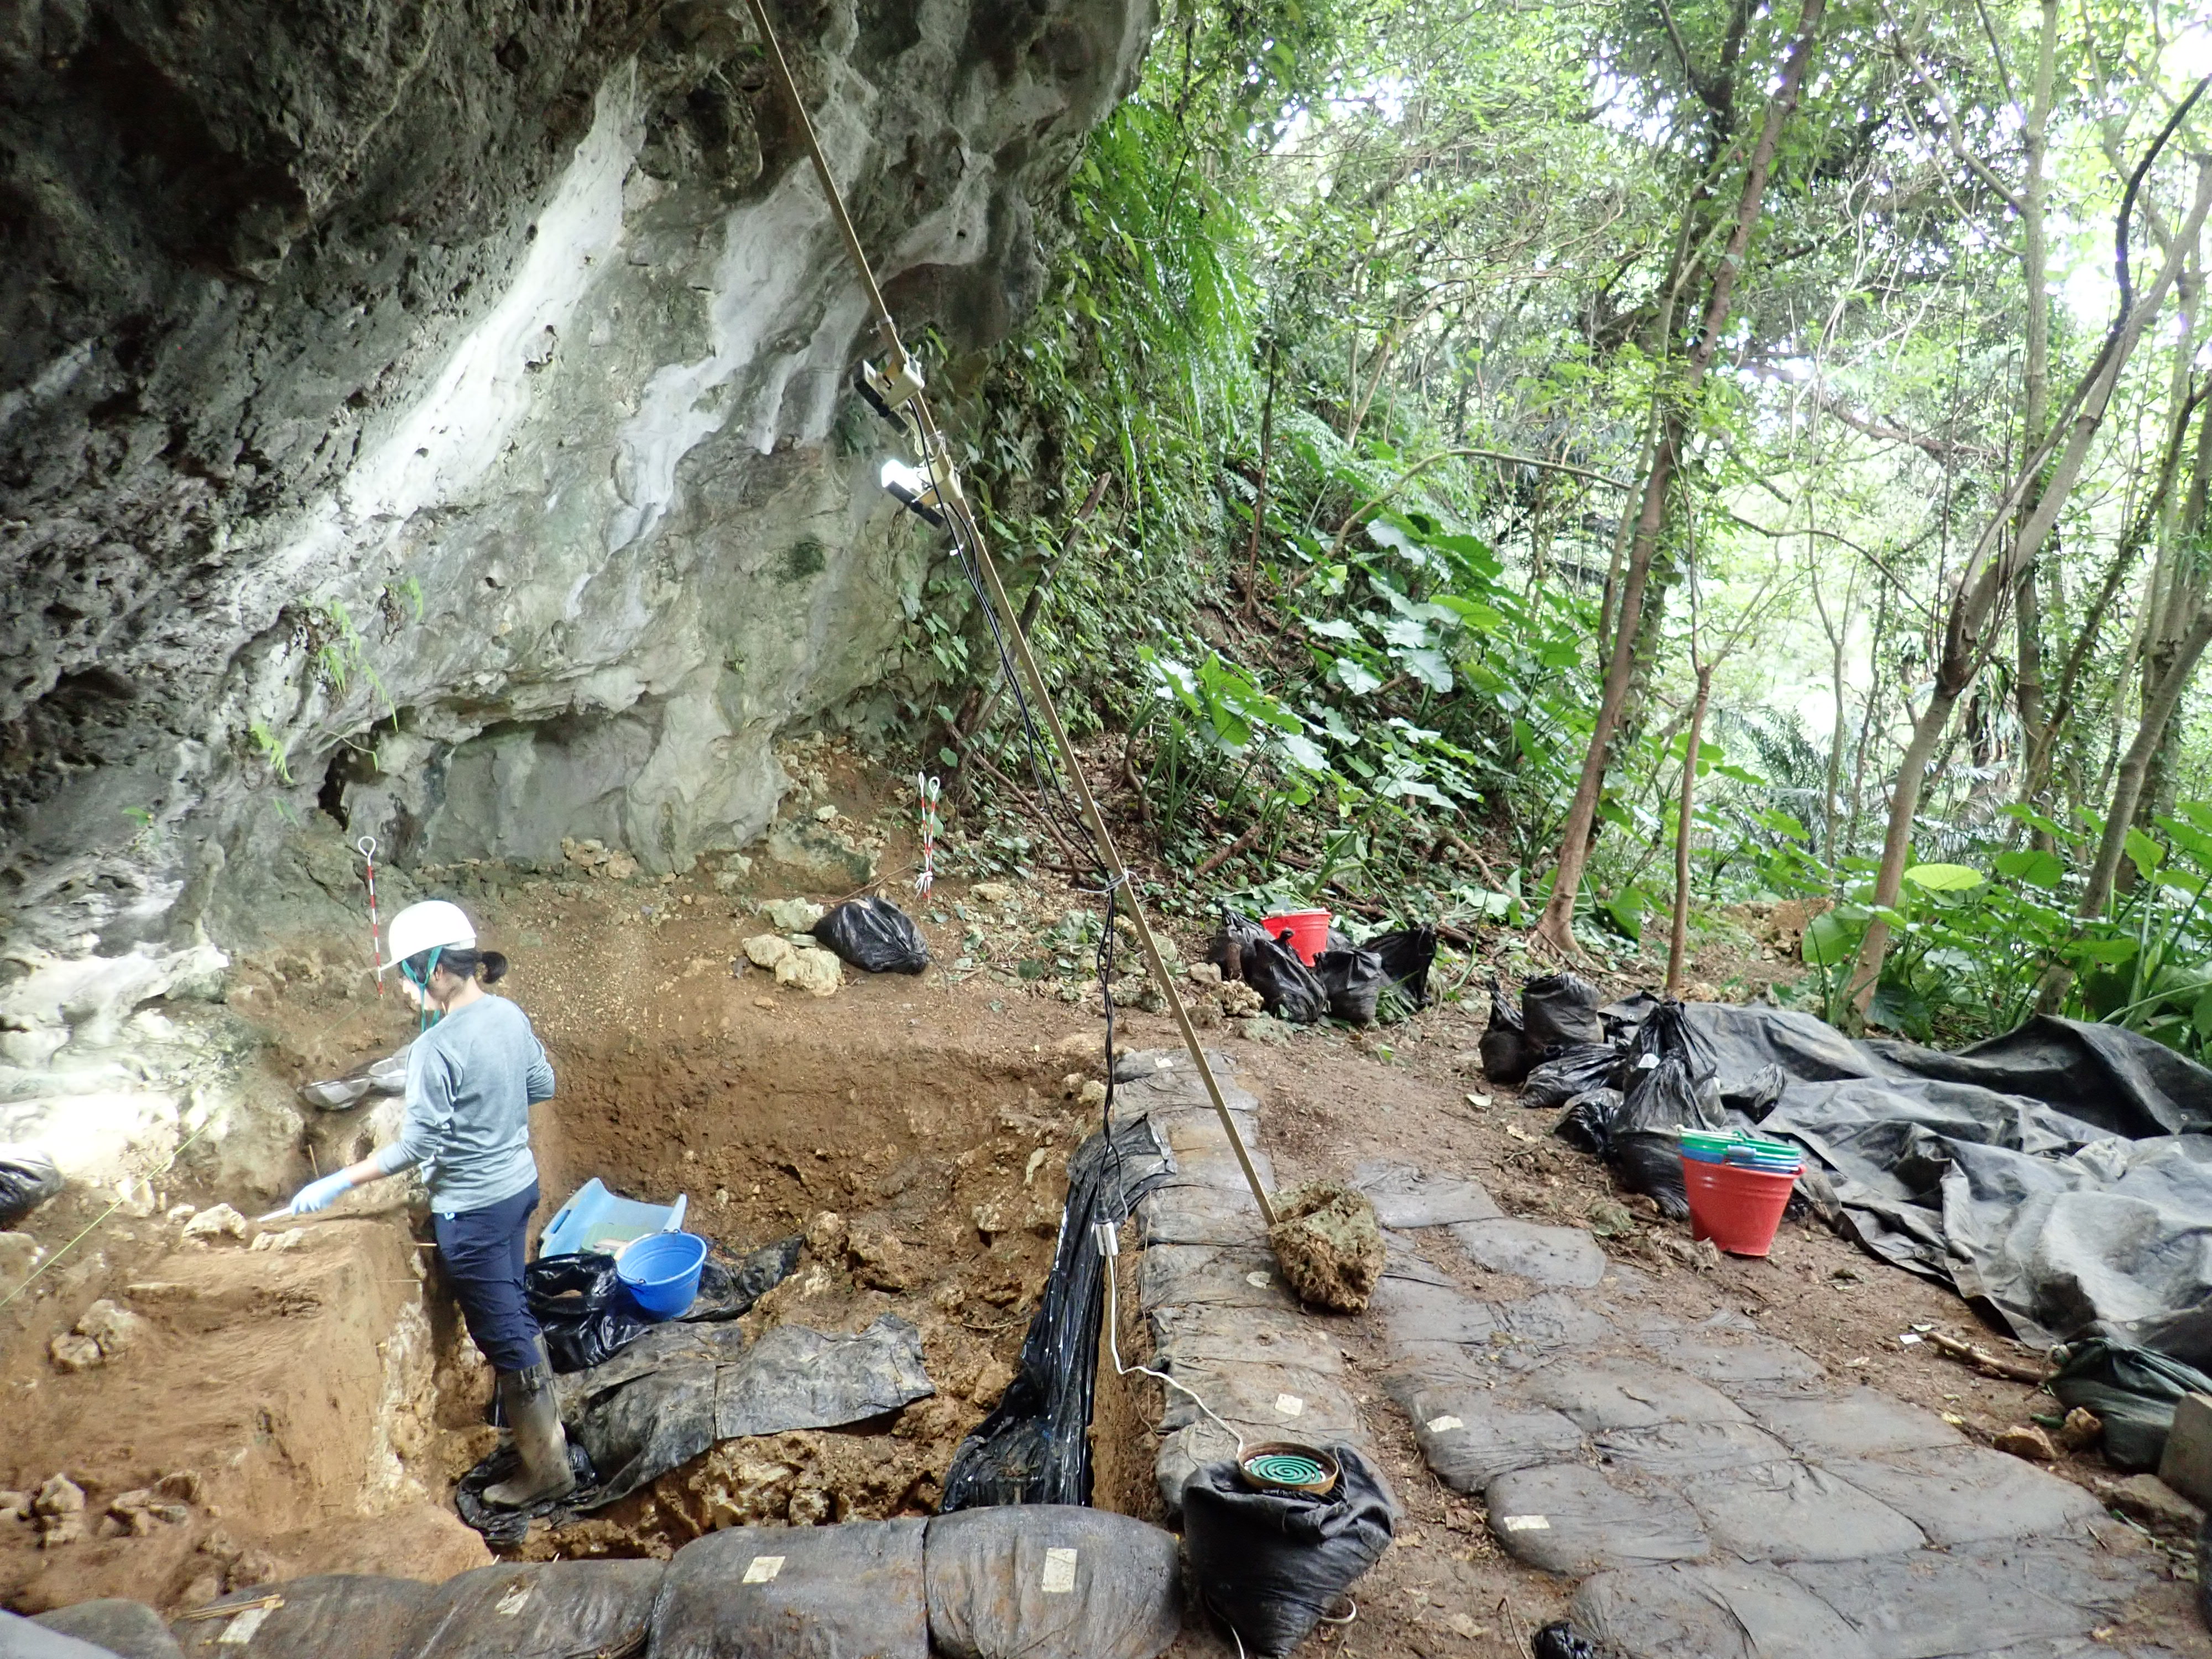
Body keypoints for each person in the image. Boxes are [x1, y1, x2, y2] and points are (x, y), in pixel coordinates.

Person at [284, 899, 573, 1508]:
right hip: (518, 1186)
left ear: (438, 969)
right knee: (514, 1308)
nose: (409, 985)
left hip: (472, 1209)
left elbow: (418, 1145)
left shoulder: (435, 1050)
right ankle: (545, 1440)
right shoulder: (509, 1015)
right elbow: (542, 1084)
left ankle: (547, 1469)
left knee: (504, 1334)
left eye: (412, 972)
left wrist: (339, 1181)